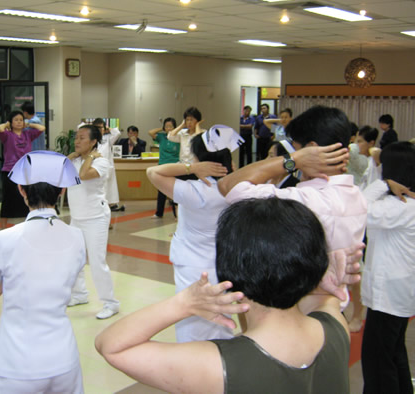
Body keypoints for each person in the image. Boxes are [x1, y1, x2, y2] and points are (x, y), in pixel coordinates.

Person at [96, 198, 362, 393]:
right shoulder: (335, 326)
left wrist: (183, 303)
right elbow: (323, 296)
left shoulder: (217, 366)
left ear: (229, 268)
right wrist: (317, 272)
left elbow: (111, 346)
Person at [218, 106, 367, 301]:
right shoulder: (357, 195)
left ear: (311, 149)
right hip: (334, 306)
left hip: (303, 310)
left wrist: (293, 160)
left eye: (296, 150)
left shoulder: (308, 200)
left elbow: (228, 185)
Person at [0, 151, 85, 394]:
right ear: (61, 190)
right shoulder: (77, 236)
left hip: (18, 362)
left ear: (21, 190)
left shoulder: (3, 239)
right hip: (65, 359)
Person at [146, 126, 240, 342]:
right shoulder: (236, 189)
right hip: (223, 264)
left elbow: (153, 172)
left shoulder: (196, 191)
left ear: (199, 160)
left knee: (192, 323)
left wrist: (191, 168)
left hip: (192, 266)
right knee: (221, 320)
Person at [360, 141, 415, 394]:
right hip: (397, 292)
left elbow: (358, 207)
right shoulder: (404, 205)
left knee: (378, 362)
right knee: (393, 353)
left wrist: (383, 184)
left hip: (388, 296)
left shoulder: (399, 207)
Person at [67, 125, 120, 319]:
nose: (77, 141)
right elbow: (60, 168)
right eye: (76, 138)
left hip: (96, 218)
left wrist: (89, 156)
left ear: (93, 142)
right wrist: (75, 155)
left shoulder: (101, 162)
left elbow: (83, 175)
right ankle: (79, 294)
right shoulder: (75, 160)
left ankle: (111, 303)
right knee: (74, 259)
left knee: (97, 262)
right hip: (76, 218)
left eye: (82, 138)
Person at [0, 110, 46, 229]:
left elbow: (42, 128)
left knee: (26, 198)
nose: (19, 122)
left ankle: (27, 225)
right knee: (8, 198)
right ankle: (3, 226)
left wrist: (28, 124)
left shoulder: (28, 134)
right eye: (16, 120)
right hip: (10, 170)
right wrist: (7, 124)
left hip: (25, 171)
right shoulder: (7, 135)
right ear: (11, 122)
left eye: (21, 120)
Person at [148, 117, 180, 218]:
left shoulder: (178, 137)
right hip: (162, 165)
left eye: (171, 126)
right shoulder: (161, 137)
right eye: (166, 126)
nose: (169, 128)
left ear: (175, 127)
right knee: (161, 189)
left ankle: (177, 214)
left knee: (175, 189)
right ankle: (159, 213)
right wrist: (162, 129)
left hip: (175, 165)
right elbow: (150, 132)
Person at [92, 118, 122, 210]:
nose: (99, 130)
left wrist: (108, 128)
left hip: (107, 168)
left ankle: (109, 205)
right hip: (94, 168)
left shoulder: (108, 138)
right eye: (96, 128)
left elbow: (117, 133)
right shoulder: (91, 139)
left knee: (107, 187)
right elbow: (80, 127)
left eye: (101, 127)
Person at [356, 125, 381, 190]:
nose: (356, 145)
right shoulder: (357, 159)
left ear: (371, 143)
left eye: (359, 141)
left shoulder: (375, 159)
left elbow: (376, 152)